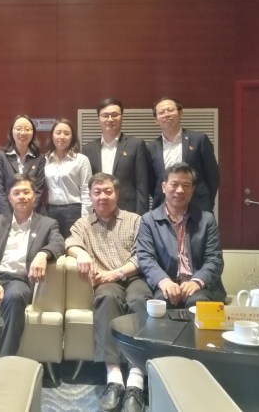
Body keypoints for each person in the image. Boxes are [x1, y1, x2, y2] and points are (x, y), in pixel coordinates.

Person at [65, 172, 151, 412]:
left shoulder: (135, 220)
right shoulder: (83, 224)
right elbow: (69, 243)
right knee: (106, 297)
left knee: (139, 300)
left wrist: (118, 272)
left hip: (133, 277)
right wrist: (81, 253)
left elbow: (143, 255)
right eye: (97, 192)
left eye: (107, 191)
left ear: (117, 194)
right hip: (106, 283)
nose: (102, 196)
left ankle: (136, 379)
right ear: (90, 196)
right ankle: (114, 378)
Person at [0, 174, 65, 356]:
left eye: (26, 192)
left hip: (20, 280)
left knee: (14, 297)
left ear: (34, 195)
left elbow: (58, 243)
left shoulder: (48, 224)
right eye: (16, 193)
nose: (22, 197)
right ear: (9, 197)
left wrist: (43, 254)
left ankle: (5, 359)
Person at [137, 162, 226, 309]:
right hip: (166, 283)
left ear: (193, 189)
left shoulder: (207, 220)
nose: (180, 190)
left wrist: (197, 281)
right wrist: (164, 280)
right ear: (164, 187)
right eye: (174, 184)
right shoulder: (148, 220)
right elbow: (146, 258)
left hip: (199, 286)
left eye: (186, 185)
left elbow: (214, 259)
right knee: (160, 303)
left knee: (198, 303)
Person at [148, 97, 219, 212]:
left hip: (198, 206)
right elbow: (151, 182)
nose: (166, 114)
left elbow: (212, 175)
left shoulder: (199, 140)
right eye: (161, 112)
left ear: (180, 113)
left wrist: (208, 202)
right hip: (164, 207)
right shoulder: (151, 147)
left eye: (170, 110)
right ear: (156, 119)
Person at [82, 98, 149, 215]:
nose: (110, 119)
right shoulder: (88, 149)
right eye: (105, 115)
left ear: (121, 117)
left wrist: (141, 217)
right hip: (97, 211)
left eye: (114, 115)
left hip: (127, 211)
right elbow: (85, 186)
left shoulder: (136, 145)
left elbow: (142, 186)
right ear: (99, 119)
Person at [44, 118, 92, 238]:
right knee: (53, 245)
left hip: (73, 211)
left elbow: (86, 190)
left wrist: (85, 218)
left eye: (66, 133)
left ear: (72, 137)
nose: (62, 136)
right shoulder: (45, 160)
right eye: (58, 132)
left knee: (73, 244)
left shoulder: (81, 160)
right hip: (51, 211)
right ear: (52, 136)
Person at [0, 115, 46, 216]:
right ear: (11, 132)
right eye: (19, 129)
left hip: (32, 215)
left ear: (33, 133)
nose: (23, 133)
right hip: (5, 214)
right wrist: (9, 217)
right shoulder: (0, 156)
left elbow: (38, 191)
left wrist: (27, 216)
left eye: (27, 129)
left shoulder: (39, 158)